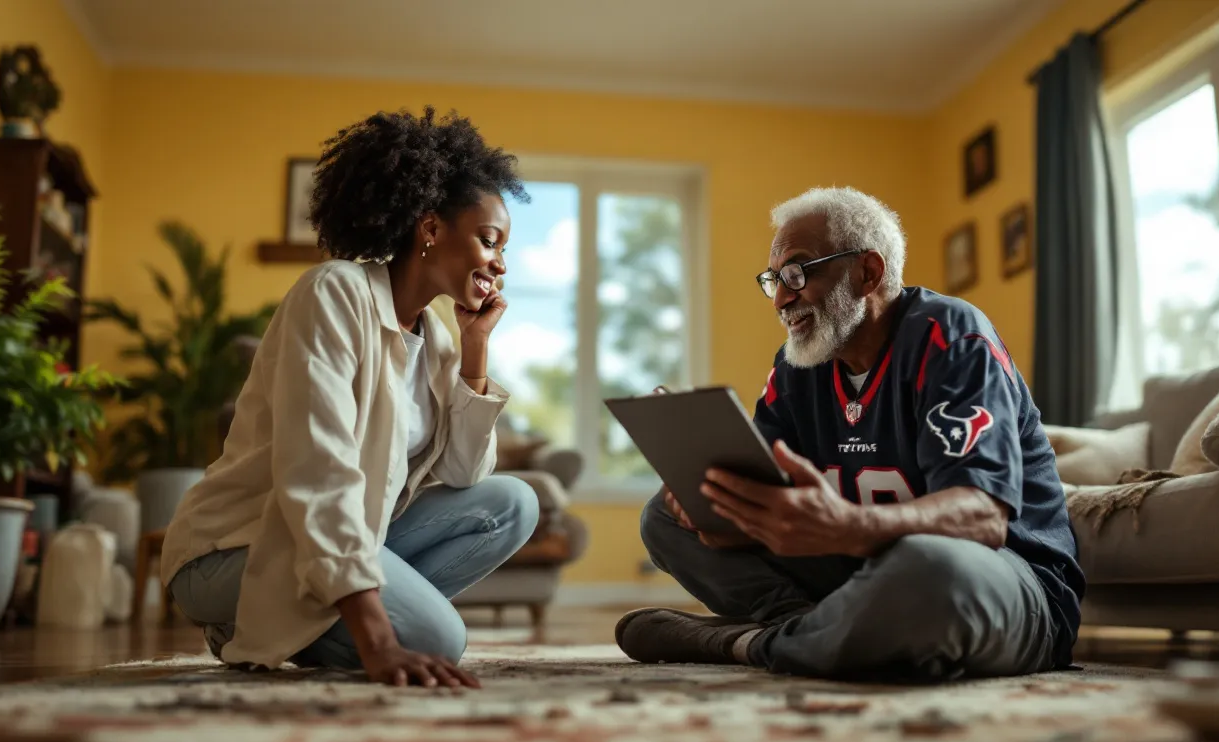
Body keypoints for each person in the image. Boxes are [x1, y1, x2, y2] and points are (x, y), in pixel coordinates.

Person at [616, 187, 1084, 682]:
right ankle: (805, 628)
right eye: (773, 280)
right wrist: (720, 503)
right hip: (862, 573)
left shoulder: (953, 337)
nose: (779, 297)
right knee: (661, 520)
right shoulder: (799, 364)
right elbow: (769, 491)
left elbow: (983, 519)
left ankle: (745, 643)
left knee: (928, 565)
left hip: (1008, 581)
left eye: (797, 272)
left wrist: (845, 525)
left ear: (869, 272)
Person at [160, 108, 539, 689]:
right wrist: (380, 641)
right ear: (431, 228)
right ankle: (243, 624)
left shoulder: (437, 339)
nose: (501, 263)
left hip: (341, 539)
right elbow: (317, 471)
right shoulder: (334, 292)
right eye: (490, 241)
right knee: (441, 640)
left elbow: (464, 473)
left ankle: (304, 620)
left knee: (513, 502)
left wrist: (474, 349)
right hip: (237, 546)